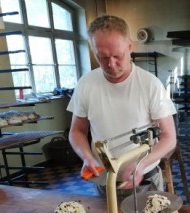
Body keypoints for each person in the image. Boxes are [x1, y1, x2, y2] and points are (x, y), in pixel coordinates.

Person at [67, 15, 177, 197]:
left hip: (145, 181)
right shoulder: (86, 84)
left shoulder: (150, 84)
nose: (111, 64)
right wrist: (87, 157)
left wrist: (141, 165)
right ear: (93, 51)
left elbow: (169, 137)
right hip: (104, 182)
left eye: (117, 56)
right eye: (102, 57)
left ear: (130, 46)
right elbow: (76, 131)